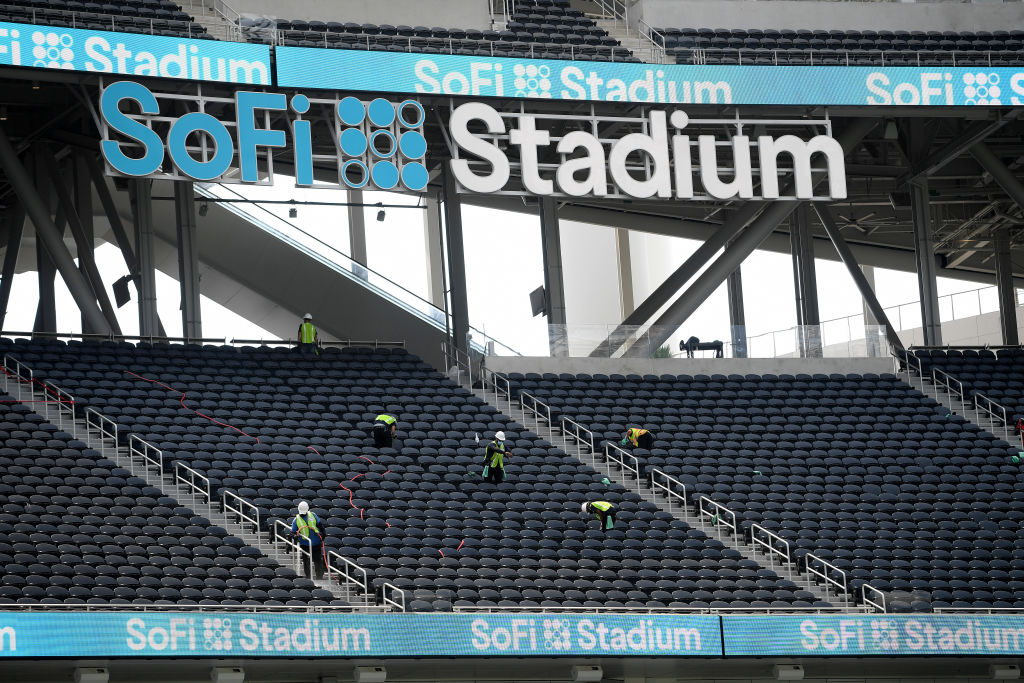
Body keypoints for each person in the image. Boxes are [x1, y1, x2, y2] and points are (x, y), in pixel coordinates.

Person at [290, 501, 326, 580]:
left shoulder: (313, 515)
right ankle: (308, 578)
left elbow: (320, 526)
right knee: (306, 562)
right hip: (305, 544)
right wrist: (295, 536)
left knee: (318, 561)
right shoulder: (296, 520)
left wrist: (323, 535)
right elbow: (292, 532)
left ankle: (319, 577)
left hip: (316, 542)